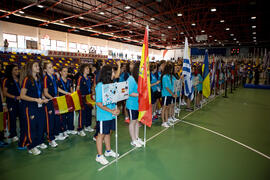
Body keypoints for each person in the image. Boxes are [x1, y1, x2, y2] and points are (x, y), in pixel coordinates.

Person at [20, 61, 48, 155]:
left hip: (39, 106)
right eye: (35, 66)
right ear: (30, 68)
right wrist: (36, 99)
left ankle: (39, 142)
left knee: (40, 125)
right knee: (31, 127)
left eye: (38, 66)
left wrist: (43, 97)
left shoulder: (39, 78)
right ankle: (31, 146)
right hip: (30, 107)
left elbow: (41, 92)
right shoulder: (27, 79)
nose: (38, 67)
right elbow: (22, 96)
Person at [95, 65, 119, 165]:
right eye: (113, 72)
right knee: (101, 135)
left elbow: (112, 99)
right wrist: (111, 111)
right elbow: (99, 103)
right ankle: (99, 156)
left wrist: (115, 109)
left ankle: (108, 151)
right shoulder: (100, 86)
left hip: (111, 115)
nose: (114, 74)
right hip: (103, 116)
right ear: (108, 73)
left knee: (108, 133)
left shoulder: (111, 84)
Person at [43, 61, 65, 147]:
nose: (52, 69)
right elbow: (45, 92)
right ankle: (50, 139)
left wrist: (66, 93)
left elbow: (58, 89)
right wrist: (53, 99)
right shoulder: (45, 78)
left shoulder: (54, 77)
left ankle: (56, 134)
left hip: (55, 101)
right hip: (49, 102)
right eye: (49, 67)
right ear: (45, 70)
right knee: (50, 121)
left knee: (56, 119)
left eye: (52, 67)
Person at [126, 63, 144, 148]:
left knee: (137, 121)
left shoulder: (138, 79)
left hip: (137, 104)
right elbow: (128, 92)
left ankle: (137, 137)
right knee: (132, 122)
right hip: (131, 104)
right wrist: (139, 95)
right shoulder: (131, 79)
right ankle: (133, 140)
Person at [3, 64, 21, 142]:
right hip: (11, 102)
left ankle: (21, 133)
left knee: (21, 118)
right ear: (11, 71)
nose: (17, 71)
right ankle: (13, 134)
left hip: (20, 102)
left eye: (17, 69)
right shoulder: (7, 80)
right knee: (12, 118)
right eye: (15, 70)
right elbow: (4, 93)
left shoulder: (20, 78)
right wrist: (14, 97)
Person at [58, 67, 77, 135]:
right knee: (63, 115)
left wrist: (72, 95)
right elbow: (58, 89)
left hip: (69, 99)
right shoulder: (58, 80)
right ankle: (64, 129)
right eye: (64, 71)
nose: (66, 73)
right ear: (60, 72)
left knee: (70, 114)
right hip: (62, 99)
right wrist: (66, 93)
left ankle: (70, 128)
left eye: (66, 71)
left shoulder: (69, 80)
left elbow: (71, 88)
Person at [76, 64, 94, 136]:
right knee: (82, 113)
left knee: (88, 112)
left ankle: (87, 126)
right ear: (83, 70)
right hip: (82, 98)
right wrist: (79, 98)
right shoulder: (80, 78)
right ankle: (80, 129)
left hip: (88, 98)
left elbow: (90, 87)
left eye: (88, 68)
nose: (88, 70)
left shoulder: (89, 78)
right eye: (86, 68)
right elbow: (78, 88)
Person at [161, 63, 177, 128]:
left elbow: (175, 83)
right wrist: (172, 94)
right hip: (166, 95)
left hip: (170, 94)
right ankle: (163, 122)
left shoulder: (170, 76)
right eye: (171, 69)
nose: (172, 70)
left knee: (167, 108)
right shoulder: (165, 77)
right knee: (164, 108)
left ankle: (166, 120)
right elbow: (167, 87)